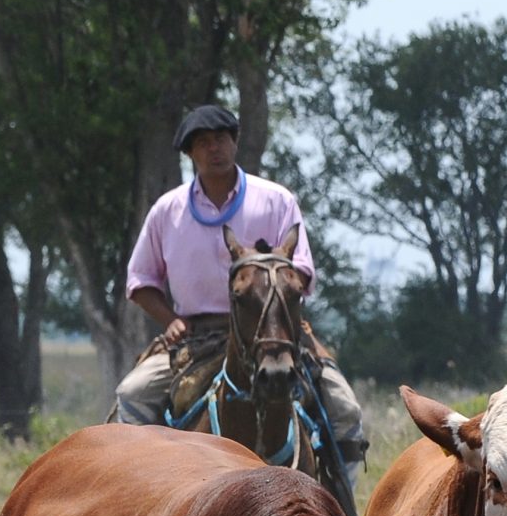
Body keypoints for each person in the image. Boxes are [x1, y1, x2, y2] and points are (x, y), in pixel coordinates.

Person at [112, 103, 369, 465]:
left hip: (276, 333)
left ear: (234, 143)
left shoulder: (277, 200)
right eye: (202, 143)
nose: (213, 149)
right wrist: (169, 319)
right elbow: (140, 281)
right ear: (189, 154)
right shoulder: (167, 210)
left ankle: (343, 512)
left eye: (220, 139)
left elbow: (303, 272)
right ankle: (133, 494)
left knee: (344, 411)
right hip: (195, 337)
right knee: (132, 394)